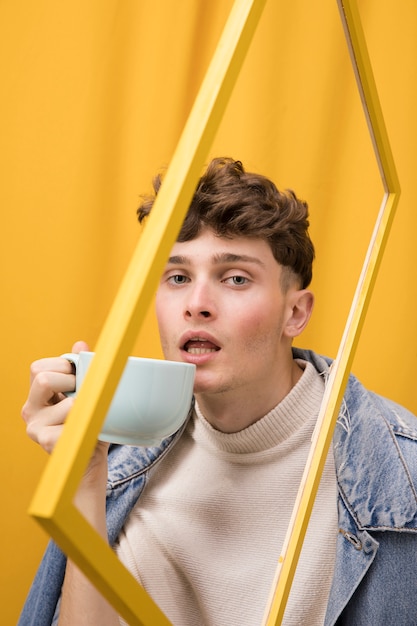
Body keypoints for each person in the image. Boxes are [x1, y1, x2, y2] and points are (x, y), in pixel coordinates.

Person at [19, 158, 417, 626]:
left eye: (235, 278)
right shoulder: (115, 458)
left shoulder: (401, 475)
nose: (197, 305)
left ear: (296, 313)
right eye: (178, 277)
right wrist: (84, 477)